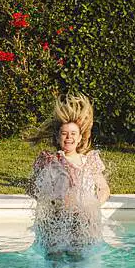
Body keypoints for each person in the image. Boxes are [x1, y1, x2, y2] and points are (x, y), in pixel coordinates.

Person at [27, 94, 110, 257]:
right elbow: (32, 187)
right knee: (54, 258)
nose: (69, 137)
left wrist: (91, 205)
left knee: (78, 258)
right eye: (64, 133)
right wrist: (50, 201)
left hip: (81, 219)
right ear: (58, 137)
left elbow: (104, 189)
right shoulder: (49, 160)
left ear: (80, 138)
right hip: (55, 219)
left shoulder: (89, 161)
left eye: (73, 134)